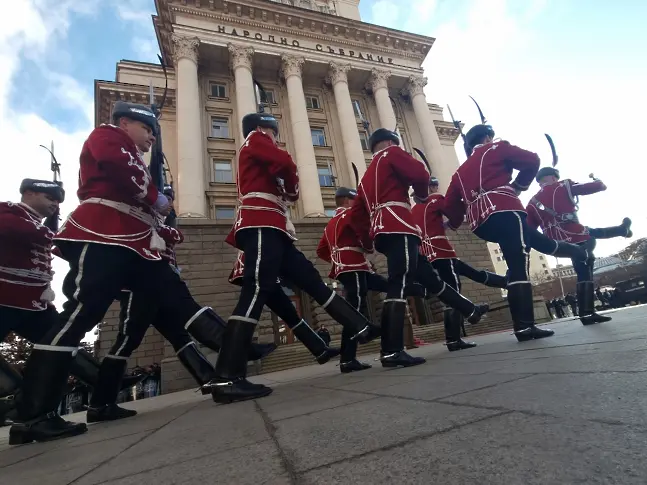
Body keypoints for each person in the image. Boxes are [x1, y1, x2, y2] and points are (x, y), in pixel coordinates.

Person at [8, 101, 234, 445]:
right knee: (80, 318)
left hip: (129, 240)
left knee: (176, 301)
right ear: (126, 122)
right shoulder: (108, 135)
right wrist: (154, 196)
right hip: (104, 234)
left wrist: (157, 206)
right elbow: (120, 168)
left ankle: (230, 366)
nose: (151, 139)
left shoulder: (130, 149)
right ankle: (33, 416)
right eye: (148, 130)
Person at [212, 112, 380, 404]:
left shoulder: (258, 147)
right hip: (262, 222)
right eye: (274, 132)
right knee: (255, 291)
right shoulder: (257, 138)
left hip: (274, 226)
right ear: (266, 128)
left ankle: (360, 327)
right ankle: (226, 376)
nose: (275, 137)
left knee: (310, 280)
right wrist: (289, 184)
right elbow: (287, 166)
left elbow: (287, 185)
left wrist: (288, 187)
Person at [0, 178, 143, 425]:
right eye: (50, 198)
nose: (55, 204)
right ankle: (14, 397)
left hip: (33, 303)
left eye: (57, 201)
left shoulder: (35, 223)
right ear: (30, 193)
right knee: (59, 342)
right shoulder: (10, 213)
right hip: (5, 298)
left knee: (64, 343)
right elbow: (12, 230)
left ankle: (104, 380)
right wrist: (54, 232)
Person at [348, 128, 489, 368]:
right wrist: (422, 195)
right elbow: (421, 174)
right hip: (399, 225)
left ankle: (469, 309)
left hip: (383, 231)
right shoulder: (392, 153)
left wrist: (369, 241)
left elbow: (356, 215)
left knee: (431, 279)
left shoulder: (365, 176)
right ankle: (391, 350)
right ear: (391, 142)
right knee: (399, 283)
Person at [443, 124, 585, 342]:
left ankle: (575, 252)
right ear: (488, 136)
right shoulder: (496, 148)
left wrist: (452, 223)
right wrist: (518, 185)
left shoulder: (459, 172)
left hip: (480, 224)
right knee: (519, 266)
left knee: (535, 241)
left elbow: (451, 204)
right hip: (505, 210)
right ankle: (524, 327)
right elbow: (532, 160)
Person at [411, 176, 507, 351]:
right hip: (441, 249)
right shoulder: (436, 199)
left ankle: (504, 282)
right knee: (453, 290)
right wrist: (452, 224)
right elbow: (454, 211)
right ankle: (454, 339)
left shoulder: (414, 209)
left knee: (469, 272)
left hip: (426, 253)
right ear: (432, 188)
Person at [526, 168, 632, 325]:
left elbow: (529, 230)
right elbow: (598, 187)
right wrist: (597, 181)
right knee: (585, 264)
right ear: (553, 178)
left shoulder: (532, 203)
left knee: (590, 236)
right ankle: (587, 313)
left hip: (556, 244)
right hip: (578, 236)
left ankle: (622, 230)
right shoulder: (563, 186)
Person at [317, 186, 387, 373]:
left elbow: (321, 250)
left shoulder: (330, 223)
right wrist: (368, 250)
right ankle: (348, 358)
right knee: (354, 311)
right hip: (354, 265)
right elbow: (364, 238)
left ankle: (350, 356)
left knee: (375, 292)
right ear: (348, 200)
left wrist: (337, 260)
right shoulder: (351, 216)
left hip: (345, 267)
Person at [228, 251, 341, 364]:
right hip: (257, 270)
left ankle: (320, 350)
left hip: (264, 272)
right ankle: (232, 359)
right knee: (248, 311)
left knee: (290, 315)